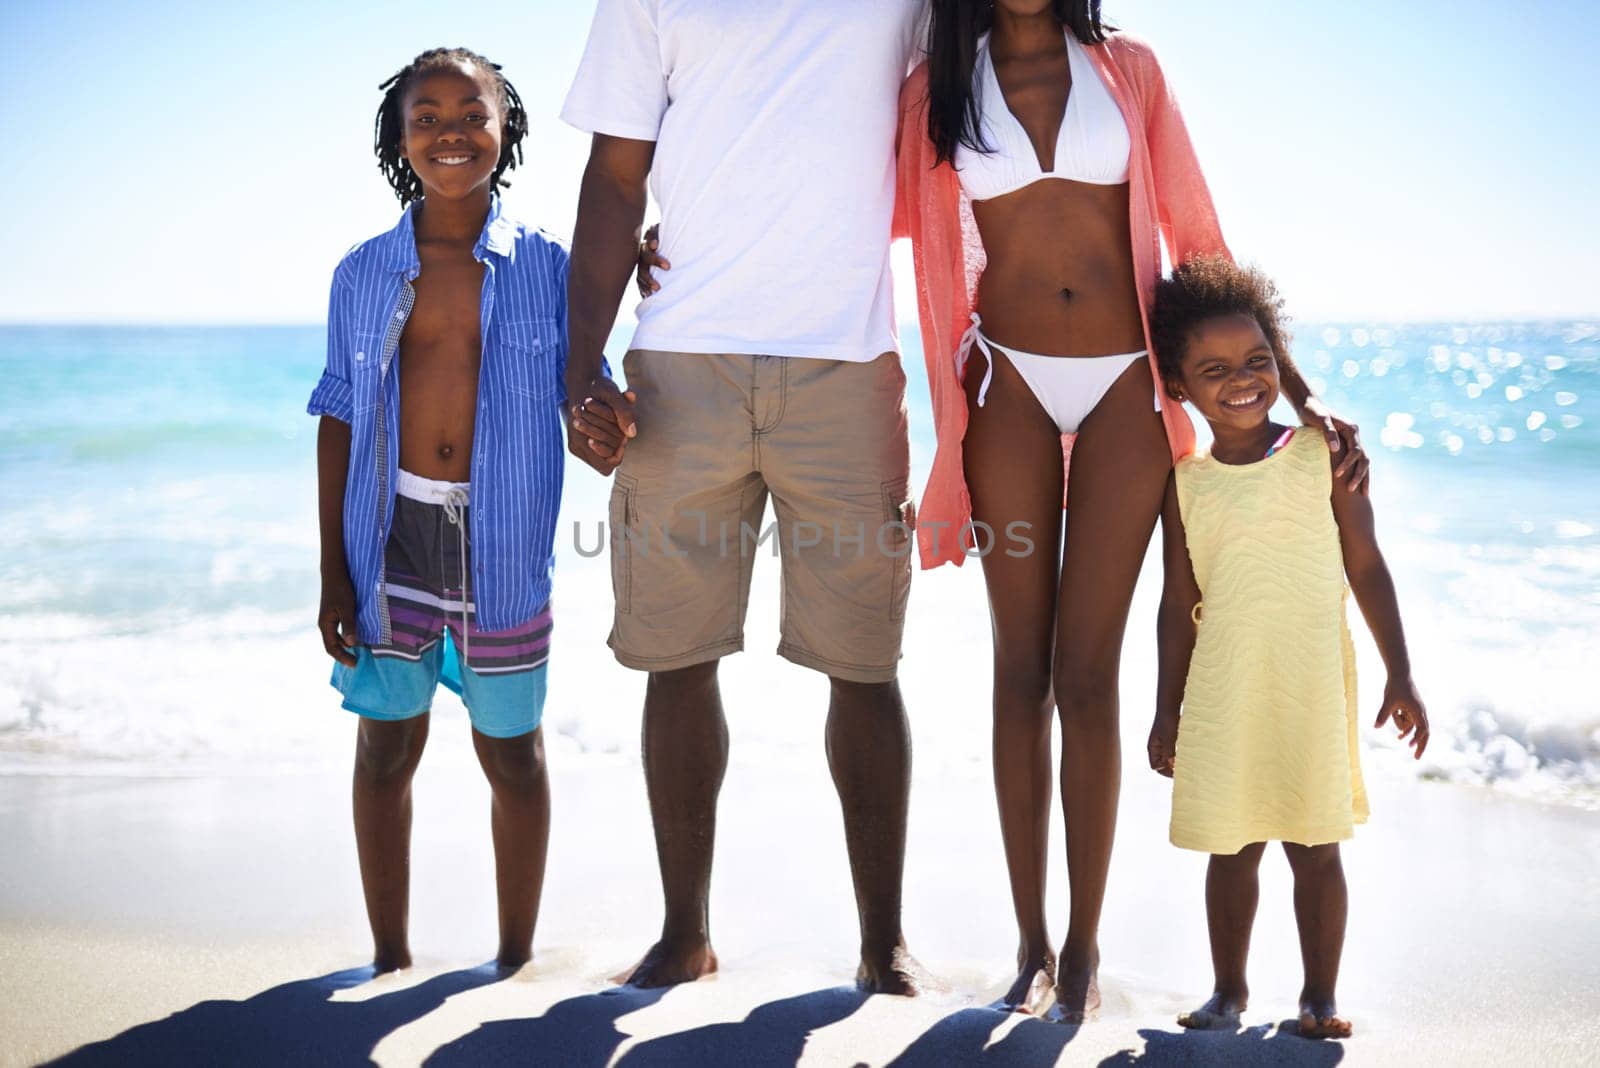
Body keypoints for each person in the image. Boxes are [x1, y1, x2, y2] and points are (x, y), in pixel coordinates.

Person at [891, 0, 1372, 1019]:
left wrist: (1297, 387)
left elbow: (1198, 240)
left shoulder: (1128, 72)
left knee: (1086, 672)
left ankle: (1081, 946)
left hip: (1126, 383)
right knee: (1017, 668)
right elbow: (853, 212)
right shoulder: (936, 88)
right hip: (1006, 383)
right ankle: (1026, 940)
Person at [560, 0, 930, 994]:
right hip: (682, 360)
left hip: (847, 365)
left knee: (863, 662)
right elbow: (613, 174)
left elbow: (987, 77)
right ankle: (685, 933)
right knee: (675, 658)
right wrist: (576, 365)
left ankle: (881, 944)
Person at [308, 47, 572, 974]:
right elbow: (338, 413)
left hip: (502, 544)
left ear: (506, 130)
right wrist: (333, 568)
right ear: (399, 136)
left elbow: (588, 385)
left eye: (472, 113)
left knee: (515, 756)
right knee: (387, 749)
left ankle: (513, 959)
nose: (450, 131)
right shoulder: (364, 272)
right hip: (387, 541)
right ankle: (389, 956)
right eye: (426, 116)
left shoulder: (548, 265)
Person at [1145, 256, 1429, 1039]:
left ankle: (1319, 997)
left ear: (1281, 361)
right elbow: (1178, 603)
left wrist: (1400, 672)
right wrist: (1166, 710)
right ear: (1179, 386)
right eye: (1215, 370)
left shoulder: (1322, 459)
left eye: (1257, 361)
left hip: (1309, 681)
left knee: (1314, 843)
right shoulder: (1187, 482)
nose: (1242, 380)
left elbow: (1366, 566)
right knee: (1231, 849)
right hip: (1224, 689)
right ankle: (1228, 992)